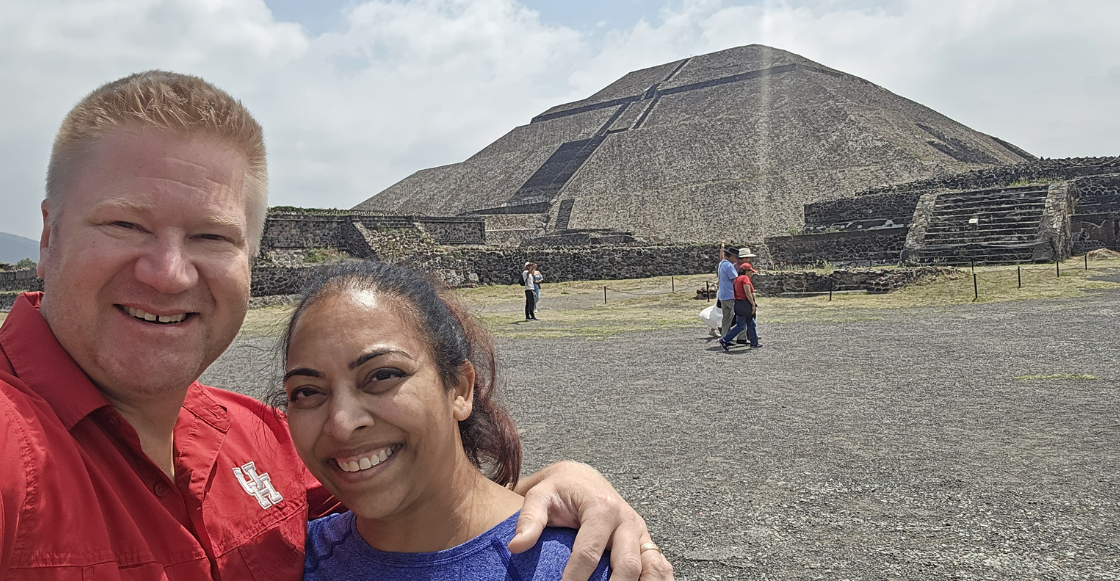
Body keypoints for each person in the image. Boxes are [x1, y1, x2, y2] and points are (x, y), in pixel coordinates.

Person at [0, 70, 673, 580]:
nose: (170, 272)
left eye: (211, 236)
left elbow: (414, 498)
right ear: (48, 237)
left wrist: (563, 484)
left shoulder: (259, 439)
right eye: (124, 224)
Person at [283, 262, 612, 580]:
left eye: (383, 375)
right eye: (307, 392)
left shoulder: (580, 566)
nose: (341, 423)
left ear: (459, 388)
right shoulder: (278, 561)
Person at [718, 263, 761, 351]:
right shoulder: (745, 279)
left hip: (738, 303)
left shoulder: (737, 279)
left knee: (750, 323)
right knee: (742, 325)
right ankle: (725, 339)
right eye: (750, 271)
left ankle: (754, 342)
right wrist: (753, 304)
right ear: (746, 271)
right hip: (745, 304)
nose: (751, 274)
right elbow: (747, 292)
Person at [716, 242, 742, 340]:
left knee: (726, 318)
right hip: (731, 295)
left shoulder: (721, 264)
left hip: (723, 295)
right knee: (739, 317)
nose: (736, 259)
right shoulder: (729, 266)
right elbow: (736, 279)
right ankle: (739, 337)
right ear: (731, 256)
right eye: (735, 257)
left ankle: (724, 337)